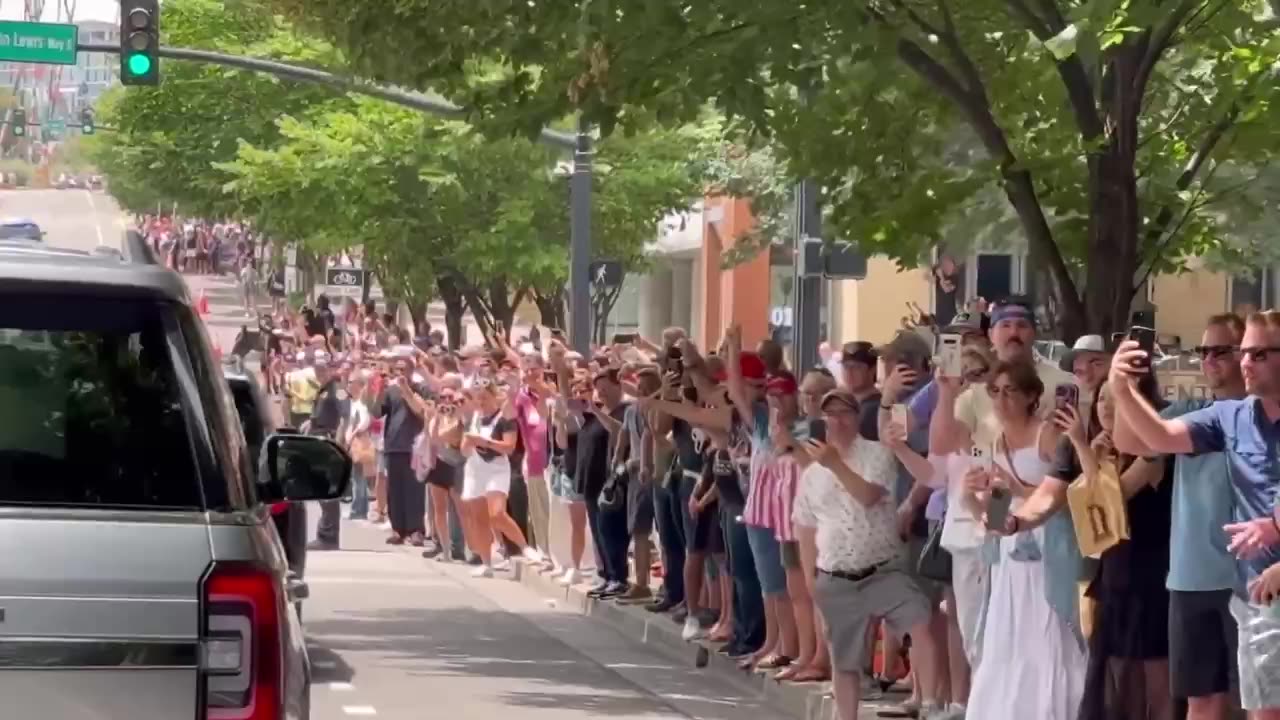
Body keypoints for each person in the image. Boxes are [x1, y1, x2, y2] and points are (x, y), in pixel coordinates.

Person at [1111, 310, 1280, 720]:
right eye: (1242, 353)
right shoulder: (1226, 417)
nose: (1243, 363)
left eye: (1256, 354)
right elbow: (1153, 436)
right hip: (1244, 590)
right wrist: (1121, 387)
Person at [793, 389, 943, 720]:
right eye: (830, 414)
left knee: (919, 621)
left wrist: (834, 464)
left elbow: (869, 496)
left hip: (883, 569)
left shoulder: (877, 454)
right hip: (836, 574)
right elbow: (804, 529)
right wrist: (810, 580)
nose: (837, 420)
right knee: (844, 662)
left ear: (857, 417)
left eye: (844, 412)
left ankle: (930, 706)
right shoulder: (811, 474)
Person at [961, 360, 1086, 720]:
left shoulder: (1047, 435)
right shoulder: (994, 442)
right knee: (1008, 640)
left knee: (1047, 639)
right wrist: (973, 497)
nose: (1001, 399)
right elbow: (996, 516)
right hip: (1010, 555)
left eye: (1010, 390)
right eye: (995, 391)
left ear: (1032, 395)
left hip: (1049, 550)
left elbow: (1063, 496)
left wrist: (1015, 489)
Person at [373, 351, 431, 547]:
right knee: (395, 490)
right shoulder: (391, 392)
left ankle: (416, 530)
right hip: (393, 445)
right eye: (397, 369)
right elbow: (376, 413)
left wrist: (406, 390)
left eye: (403, 369)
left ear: (411, 370)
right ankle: (398, 529)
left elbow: (421, 412)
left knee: (414, 489)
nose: (399, 373)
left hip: (414, 446)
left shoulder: (420, 389)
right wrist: (379, 390)